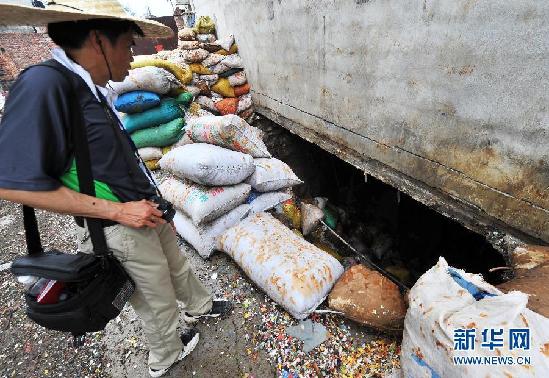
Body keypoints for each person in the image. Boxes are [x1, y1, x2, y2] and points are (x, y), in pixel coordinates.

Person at [0, 2, 231, 377]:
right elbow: (11, 185)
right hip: (119, 223)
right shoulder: (45, 84)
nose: (131, 57)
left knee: (177, 266)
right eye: (126, 44)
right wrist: (119, 211)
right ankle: (166, 356)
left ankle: (199, 307)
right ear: (97, 41)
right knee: (155, 299)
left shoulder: (88, 86)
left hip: (144, 208)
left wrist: (155, 204)